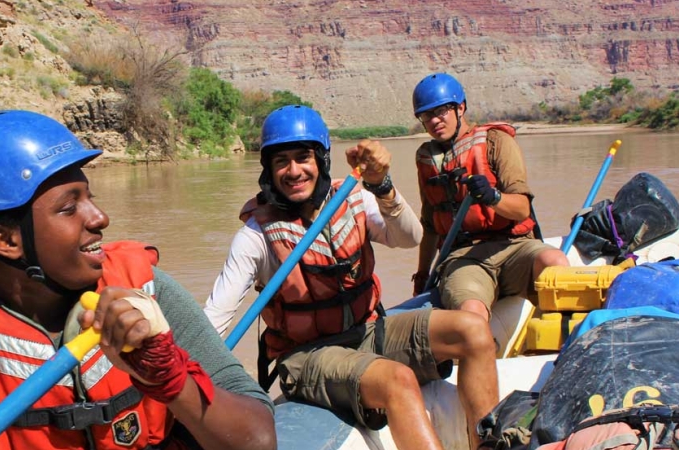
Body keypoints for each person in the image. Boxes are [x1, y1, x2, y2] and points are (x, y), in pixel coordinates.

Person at [0, 110, 275, 450]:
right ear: (6, 240)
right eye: (68, 207)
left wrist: (168, 376)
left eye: (89, 197)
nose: (100, 218)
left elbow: (258, 440)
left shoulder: (148, 294)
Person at [203, 104, 499, 450]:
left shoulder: (354, 196)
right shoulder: (256, 236)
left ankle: (488, 444)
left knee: (474, 331)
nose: (294, 171)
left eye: (303, 158)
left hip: (367, 331)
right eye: (281, 161)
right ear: (268, 170)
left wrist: (382, 185)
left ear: (322, 161)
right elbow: (215, 319)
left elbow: (409, 238)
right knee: (397, 380)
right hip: (306, 356)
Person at [410, 72, 570, 324]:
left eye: (441, 111)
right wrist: (421, 276)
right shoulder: (426, 159)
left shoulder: (496, 141)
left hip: (513, 246)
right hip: (464, 257)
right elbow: (430, 226)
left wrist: (493, 197)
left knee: (555, 260)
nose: (434, 121)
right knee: (471, 313)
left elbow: (521, 210)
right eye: (426, 115)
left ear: (460, 107)